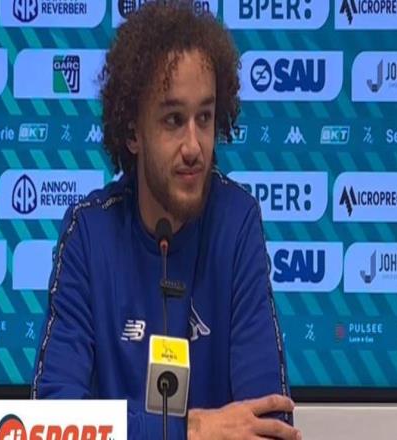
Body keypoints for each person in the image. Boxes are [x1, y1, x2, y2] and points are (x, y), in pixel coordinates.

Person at [32, 2, 301, 439]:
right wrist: (189, 429)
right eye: (174, 120)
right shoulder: (88, 232)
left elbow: (270, 422)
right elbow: (51, 421)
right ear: (133, 133)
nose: (194, 146)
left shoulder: (237, 222)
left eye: (204, 118)